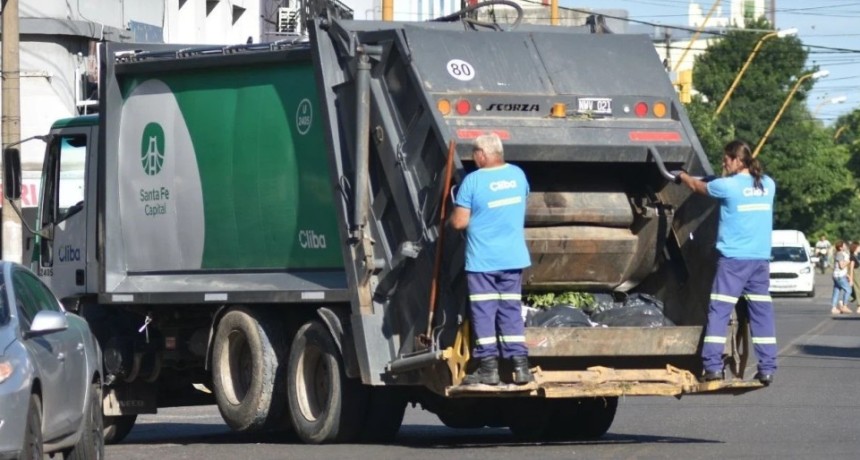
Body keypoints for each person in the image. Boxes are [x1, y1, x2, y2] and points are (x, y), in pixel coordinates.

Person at [674, 140, 777, 386]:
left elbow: (698, 187)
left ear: (738, 160)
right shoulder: (768, 184)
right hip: (760, 261)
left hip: (733, 261)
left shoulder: (727, 187)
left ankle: (712, 367)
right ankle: (768, 368)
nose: (723, 163)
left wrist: (681, 175)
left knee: (719, 311)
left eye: (726, 159)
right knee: (761, 313)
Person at [449, 133, 533, 385]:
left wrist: (450, 219)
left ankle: (488, 368)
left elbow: (460, 222)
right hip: (513, 257)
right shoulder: (518, 175)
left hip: (483, 261)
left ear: (482, 155)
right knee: (510, 311)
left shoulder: (473, 182)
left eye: (475, 154)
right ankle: (520, 367)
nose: (474, 159)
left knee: (485, 312)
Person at [830, 240, 852, 315]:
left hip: (837, 275)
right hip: (840, 276)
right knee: (848, 290)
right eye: (844, 245)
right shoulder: (840, 254)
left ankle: (834, 308)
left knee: (836, 291)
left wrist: (847, 275)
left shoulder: (840, 254)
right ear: (840, 247)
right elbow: (841, 266)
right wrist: (848, 262)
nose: (845, 246)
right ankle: (844, 306)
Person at [848, 242, 860, 312]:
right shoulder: (852, 257)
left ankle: (843, 302)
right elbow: (851, 268)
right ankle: (859, 306)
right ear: (855, 248)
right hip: (855, 275)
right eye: (859, 247)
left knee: (854, 292)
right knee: (858, 290)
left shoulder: (857, 256)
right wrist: (851, 279)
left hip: (858, 274)